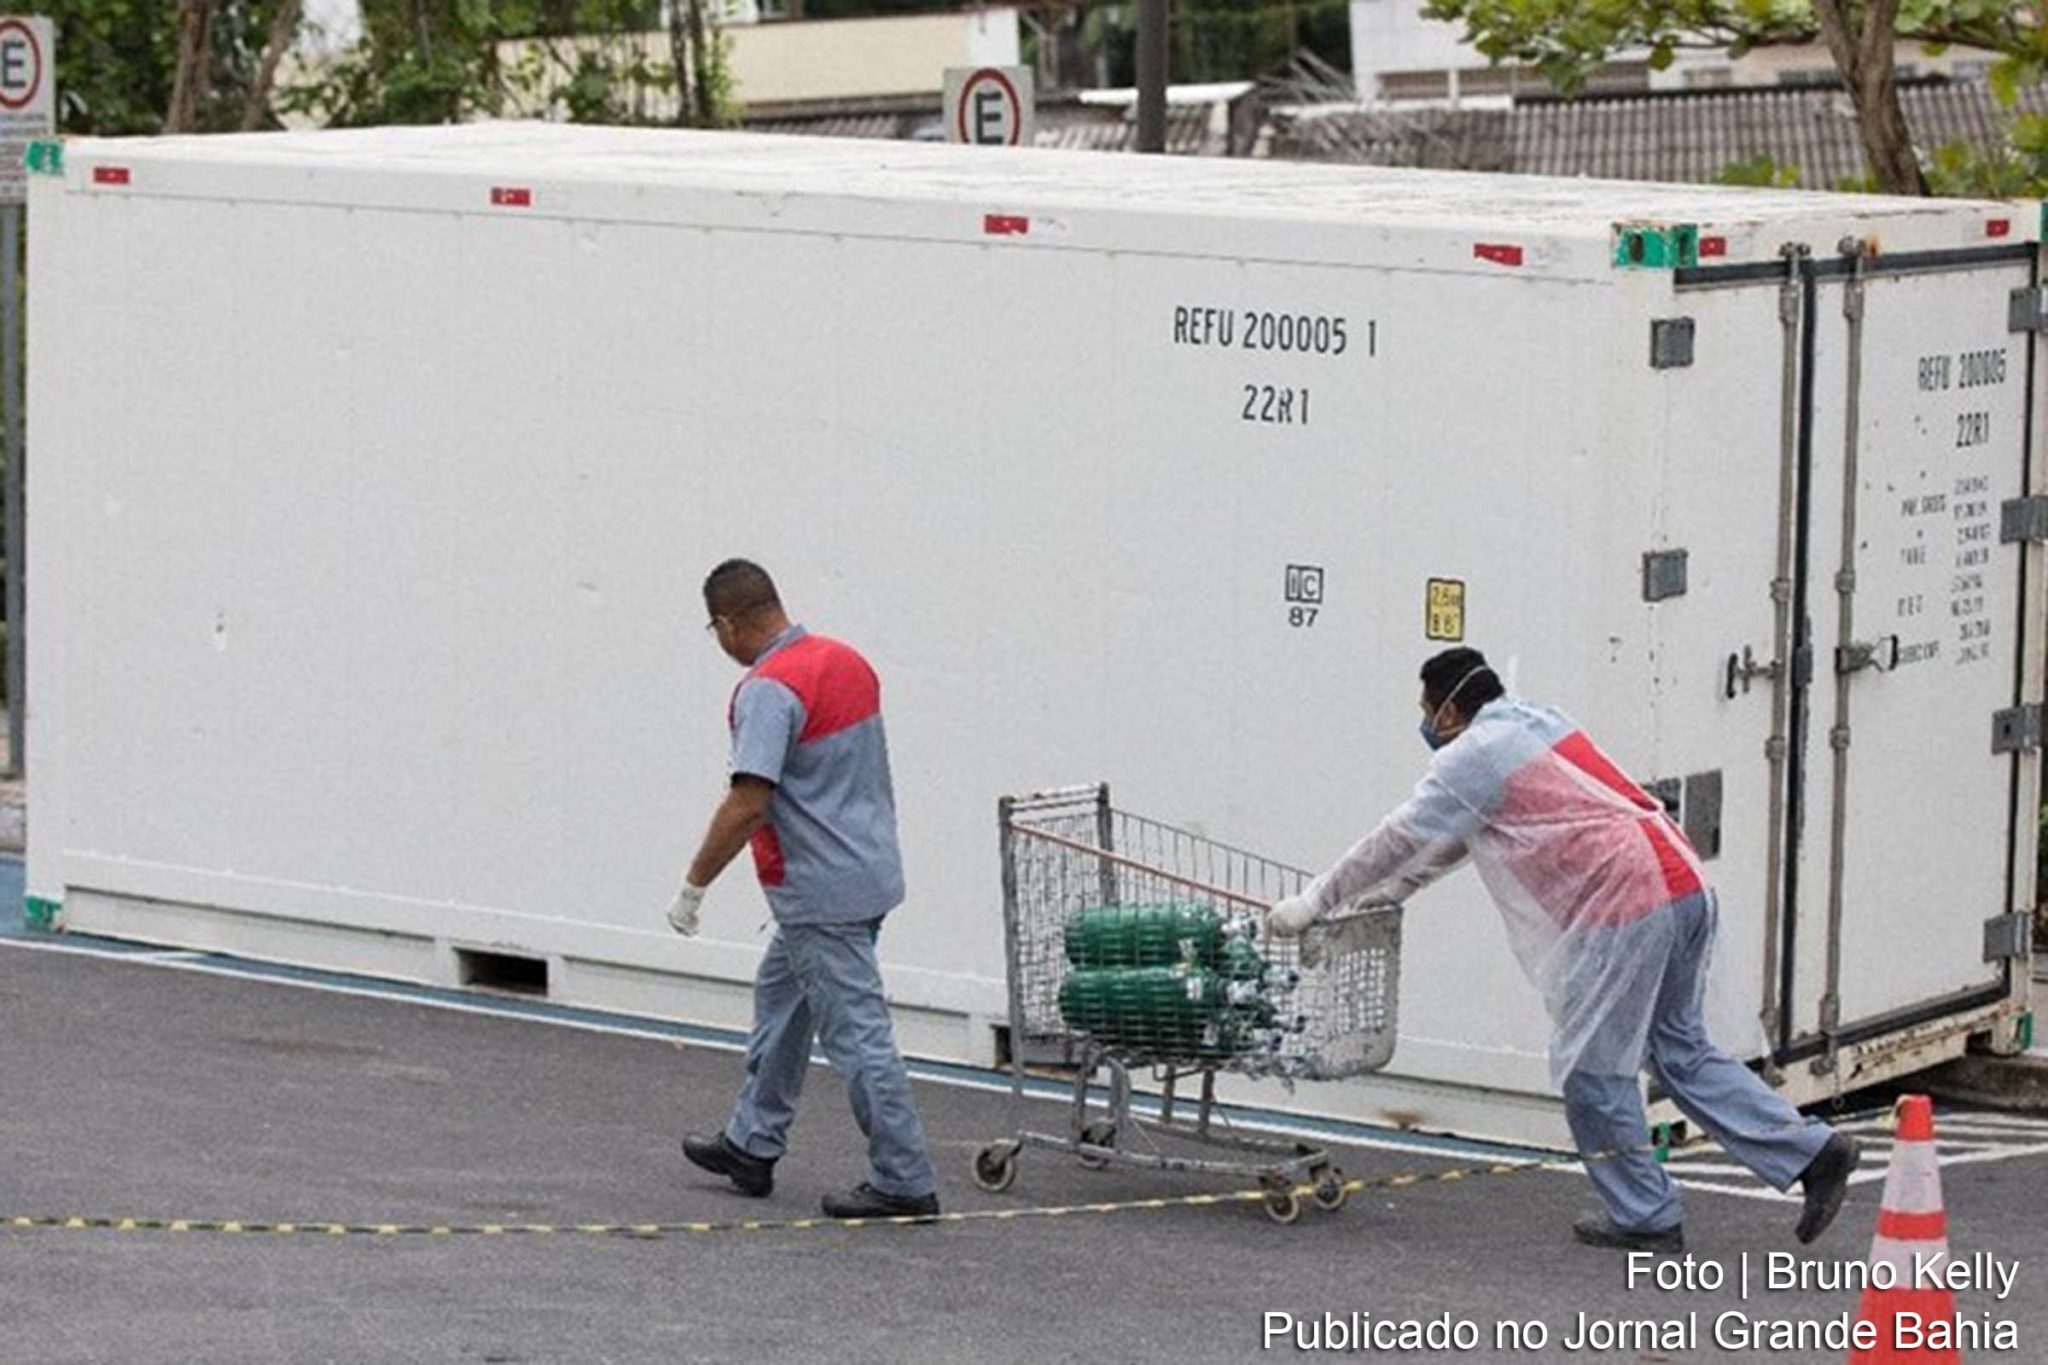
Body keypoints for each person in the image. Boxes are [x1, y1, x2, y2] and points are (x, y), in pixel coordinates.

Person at [1267, 647, 1858, 1252]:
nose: (1424, 723)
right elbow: (1468, 834)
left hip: (1629, 901)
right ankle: (1813, 1153)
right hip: (1682, 881)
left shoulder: (1472, 756)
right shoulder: (1534, 722)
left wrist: (1317, 900)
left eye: (1425, 709)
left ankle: (1645, 1213)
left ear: (1448, 710)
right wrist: (1399, 891)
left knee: (1591, 1071)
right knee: (1678, 1048)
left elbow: (1398, 836)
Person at [666, 559, 940, 1220]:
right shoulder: (846, 661)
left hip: (820, 890)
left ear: (728, 623)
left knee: (858, 1034)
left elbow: (748, 800)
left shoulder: (768, 689)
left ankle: (904, 1179)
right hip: (868, 871)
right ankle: (751, 1143)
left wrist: (693, 885)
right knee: (782, 998)